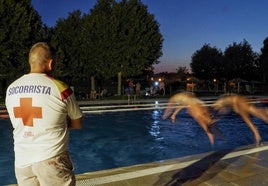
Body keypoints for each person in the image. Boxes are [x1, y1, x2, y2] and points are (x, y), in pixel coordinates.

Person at [5, 42, 83, 186]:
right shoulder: (61, 89)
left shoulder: (11, 89)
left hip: (22, 162)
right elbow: (77, 123)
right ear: (50, 63)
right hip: (51, 159)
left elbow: (19, 122)